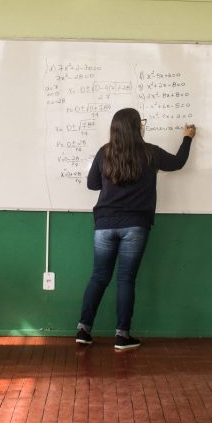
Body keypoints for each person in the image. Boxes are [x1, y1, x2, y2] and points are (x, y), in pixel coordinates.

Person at [75, 108, 195, 350]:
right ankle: (122, 336)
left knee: (99, 277)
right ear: (136, 127)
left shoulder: (105, 152)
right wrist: (187, 137)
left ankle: (83, 330)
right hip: (135, 226)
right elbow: (178, 162)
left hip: (105, 224)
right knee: (125, 279)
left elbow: (92, 184)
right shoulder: (150, 153)